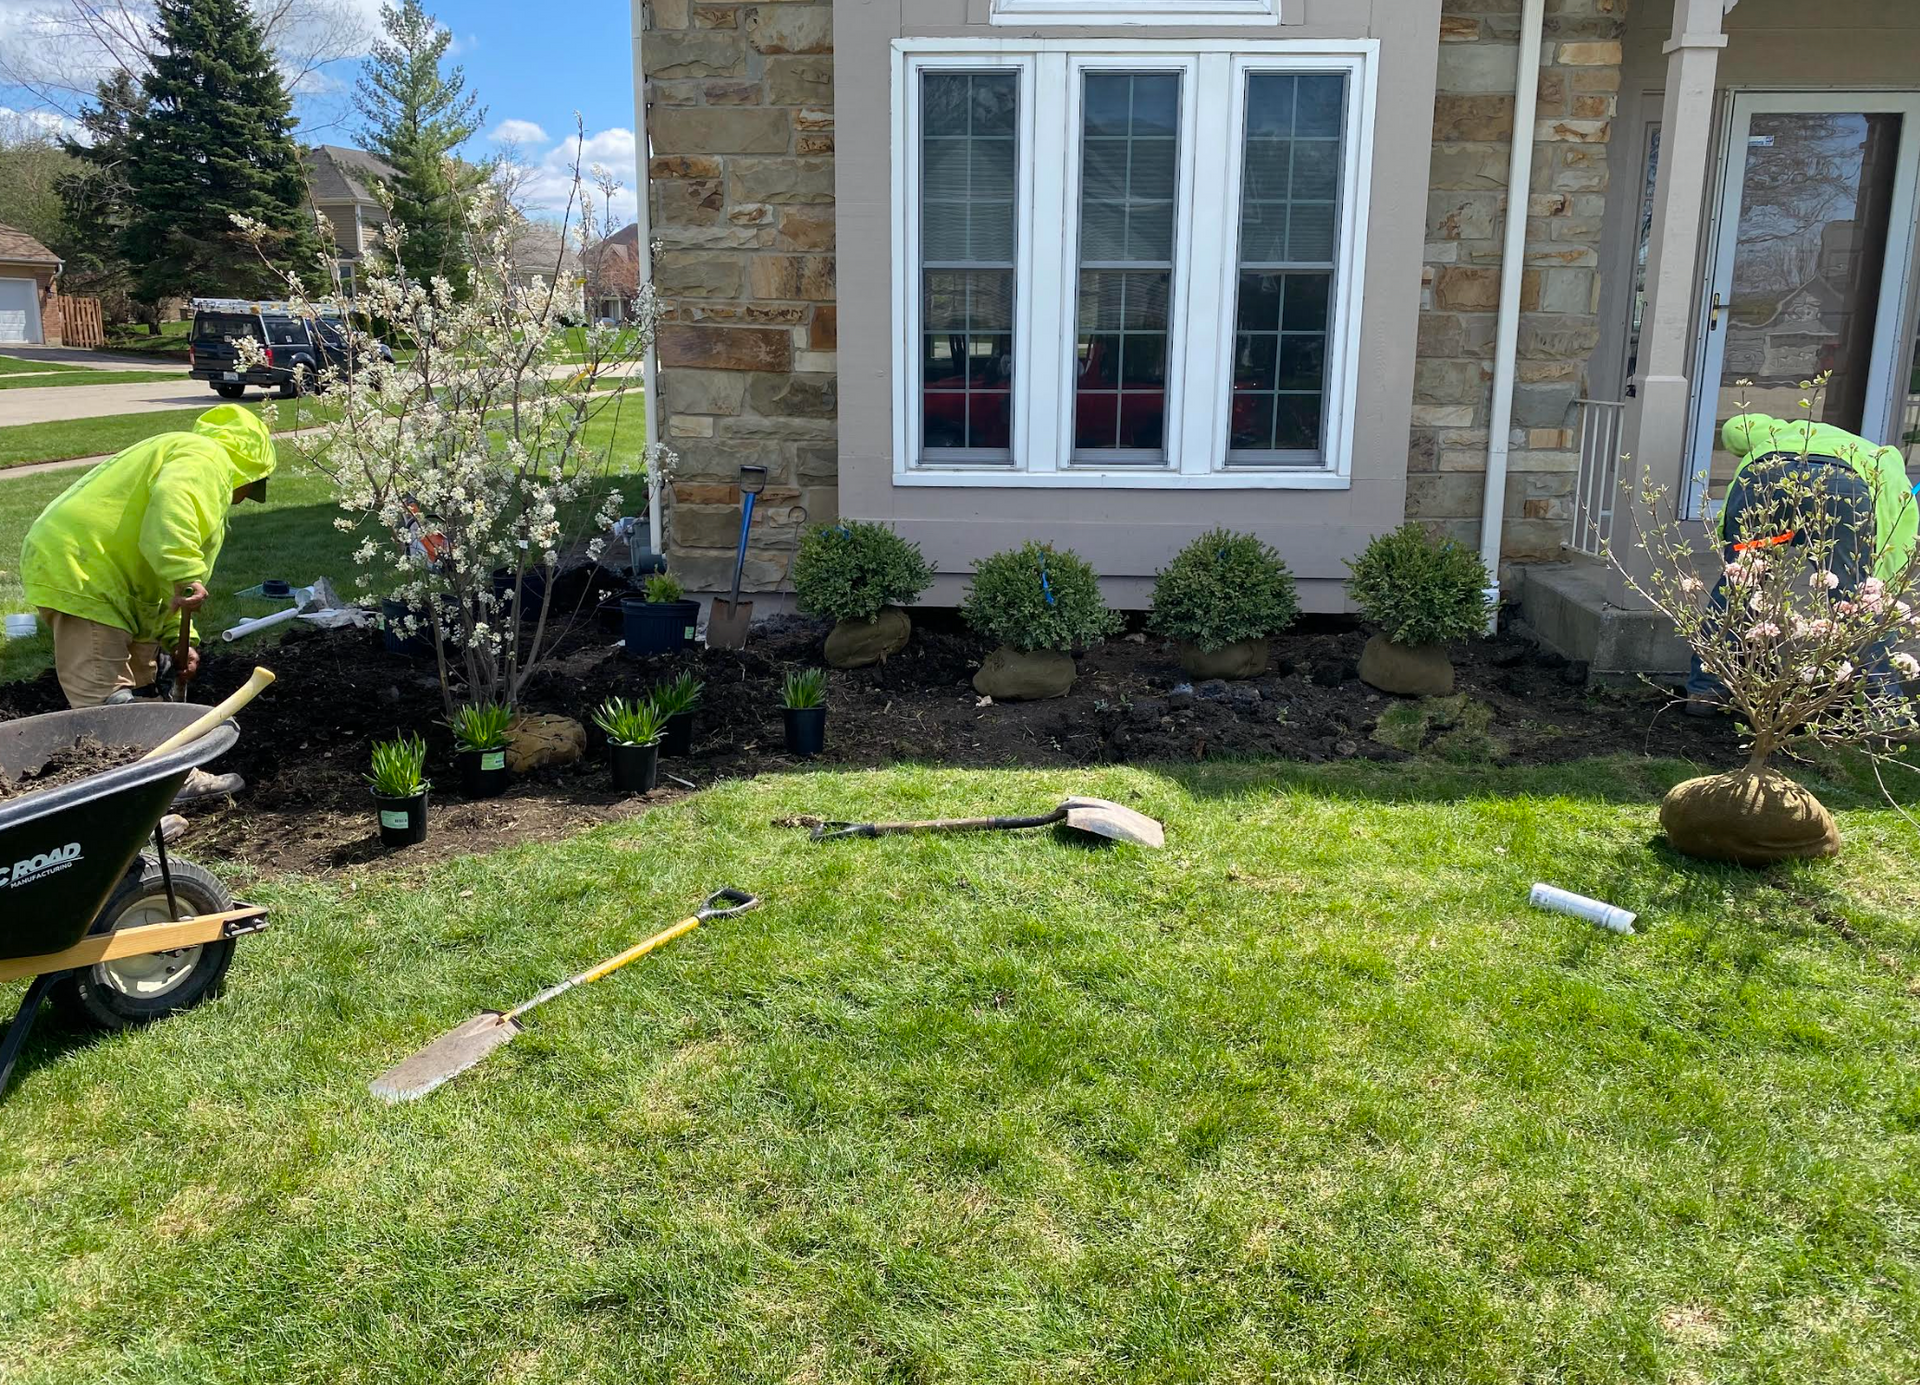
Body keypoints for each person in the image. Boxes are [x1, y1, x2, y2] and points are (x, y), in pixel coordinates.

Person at [20, 404, 275, 804]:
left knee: (144, 688)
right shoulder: (205, 456)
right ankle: (135, 809)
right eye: (250, 488)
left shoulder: (192, 459)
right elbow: (172, 513)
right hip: (83, 570)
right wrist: (185, 568)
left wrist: (181, 638)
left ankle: (174, 781)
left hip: (112, 577)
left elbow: (162, 572)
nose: (242, 499)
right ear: (248, 468)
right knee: (106, 703)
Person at [1687, 411, 1918, 713]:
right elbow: (1898, 534)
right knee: (1858, 601)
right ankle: (1883, 710)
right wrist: (1879, 585)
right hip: (1844, 486)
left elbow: (1735, 428)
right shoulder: (1883, 459)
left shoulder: (1774, 434)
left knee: (1739, 584)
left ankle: (1707, 692)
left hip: (1765, 475)